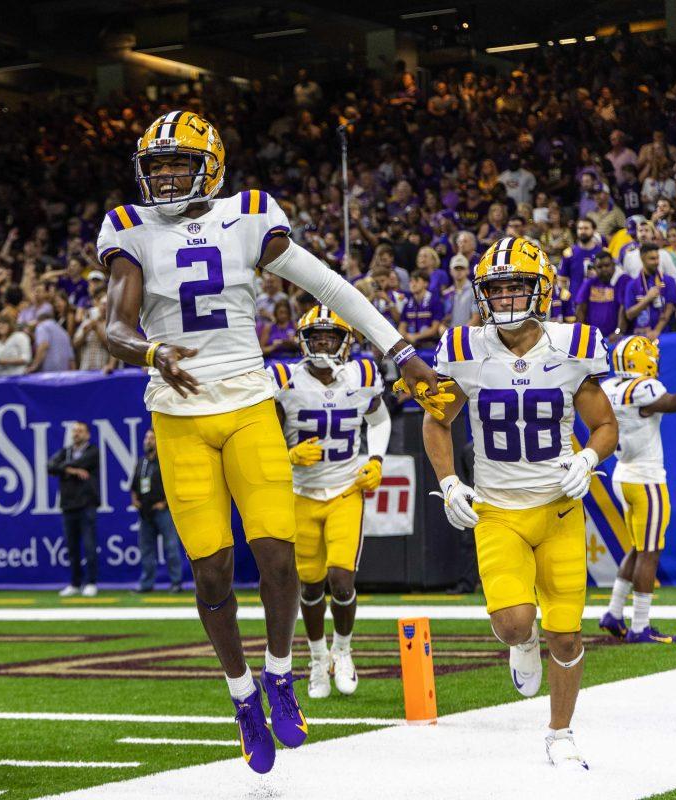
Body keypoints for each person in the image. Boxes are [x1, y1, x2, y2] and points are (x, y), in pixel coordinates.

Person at [100, 110, 440, 775]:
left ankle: (281, 674)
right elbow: (114, 323)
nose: (165, 177)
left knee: (279, 557)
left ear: (212, 165)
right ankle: (241, 695)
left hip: (250, 401)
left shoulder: (250, 213)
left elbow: (329, 285)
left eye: (179, 163)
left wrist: (398, 349)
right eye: (157, 166)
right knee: (211, 573)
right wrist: (147, 350)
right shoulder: (128, 228)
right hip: (177, 413)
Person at [423, 237, 617, 770]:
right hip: (498, 509)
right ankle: (521, 640)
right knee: (513, 623)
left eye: (516, 287)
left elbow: (604, 424)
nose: (506, 299)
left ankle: (560, 731)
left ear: (541, 290)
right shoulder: (464, 348)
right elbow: (437, 420)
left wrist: (588, 460)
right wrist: (451, 482)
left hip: (558, 506)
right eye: (497, 289)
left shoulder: (572, 345)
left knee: (568, 629)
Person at [272, 307, 388, 699]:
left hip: (344, 489)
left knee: (341, 579)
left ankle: (344, 650)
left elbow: (381, 420)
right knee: (308, 585)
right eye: (316, 336)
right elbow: (261, 434)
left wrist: (375, 459)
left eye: (330, 336)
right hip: (300, 493)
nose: (323, 343)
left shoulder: (362, 377)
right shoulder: (284, 381)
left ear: (344, 342)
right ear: (304, 340)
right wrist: (285, 455)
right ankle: (317, 658)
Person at [599, 337, 676, 644]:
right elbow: (672, 402)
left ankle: (614, 613)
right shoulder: (643, 389)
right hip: (646, 480)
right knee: (650, 552)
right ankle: (640, 626)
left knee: (640, 548)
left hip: (623, 475)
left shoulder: (610, 387)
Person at [47, 421, 101, 597]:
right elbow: (51, 466)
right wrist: (72, 470)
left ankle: (91, 582)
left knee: (89, 545)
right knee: (72, 548)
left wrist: (66, 468)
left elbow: (82, 462)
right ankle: (75, 583)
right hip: (68, 506)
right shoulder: (66, 451)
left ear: (87, 434)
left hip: (86, 505)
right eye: (75, 431)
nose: (76, 434)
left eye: (80, 431)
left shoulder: (93, 451)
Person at [130, 429, 182, 593]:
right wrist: (135, 500)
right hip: (145, 513)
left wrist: (165, 503)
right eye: (146, 438)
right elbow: (134, 485)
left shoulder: (165, 461)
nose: (148, 441)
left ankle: (175, 583)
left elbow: (175, 484)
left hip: (163, 511)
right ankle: (147, 584)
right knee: (146, 549)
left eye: (152, 438)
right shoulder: (141, 462)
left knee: (171, 547)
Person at [619, 243, 676, 338]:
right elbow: (629, 314)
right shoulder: (632, 285)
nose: (656, 262)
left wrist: (656, 331)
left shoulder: (668, 281)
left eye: (657, 258)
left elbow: (669, 309)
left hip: (664, 336)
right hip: (640, 337)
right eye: (652, 259)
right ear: (642, 259)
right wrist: (647, 299)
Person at [575, 251, 626, 339]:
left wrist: (618, 331)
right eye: (599, 267)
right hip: (592, 337)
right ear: (594, 268)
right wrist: (581, 333)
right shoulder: (589, 283)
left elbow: (623, 308)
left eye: (607, 265)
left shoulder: (621, 282)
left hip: (613, 338)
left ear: (613, 265)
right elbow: (580, 308)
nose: (603, 269)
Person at [398, 268, 444, 348]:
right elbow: (401, 328)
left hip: (430, 344)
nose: (413, 284)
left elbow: (434, 329)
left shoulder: (435, 301)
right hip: (410, 343)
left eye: (417, 281)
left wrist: (415, 336)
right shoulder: (408, 303)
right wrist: (408, 336)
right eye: (411, 281)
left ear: (426, 284)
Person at [559, 219, 603, 291]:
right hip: (574, 298)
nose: (583, 231)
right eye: (580, 228)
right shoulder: (568, 253)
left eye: (586, 228)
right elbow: (561, 280)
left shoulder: (602, 252)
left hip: (596, 298)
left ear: (594, 230)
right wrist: (565, 299)